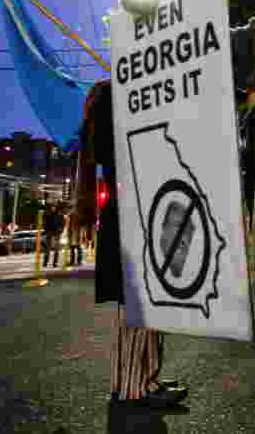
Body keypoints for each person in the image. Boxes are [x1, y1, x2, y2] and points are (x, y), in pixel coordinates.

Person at [76, 80, 187, 408]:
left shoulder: (110, 111)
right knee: (138, 303)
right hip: (132, 212)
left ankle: (145, 378)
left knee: (148, 301)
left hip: (137, 210)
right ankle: (131, 385)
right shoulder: (117, 114)